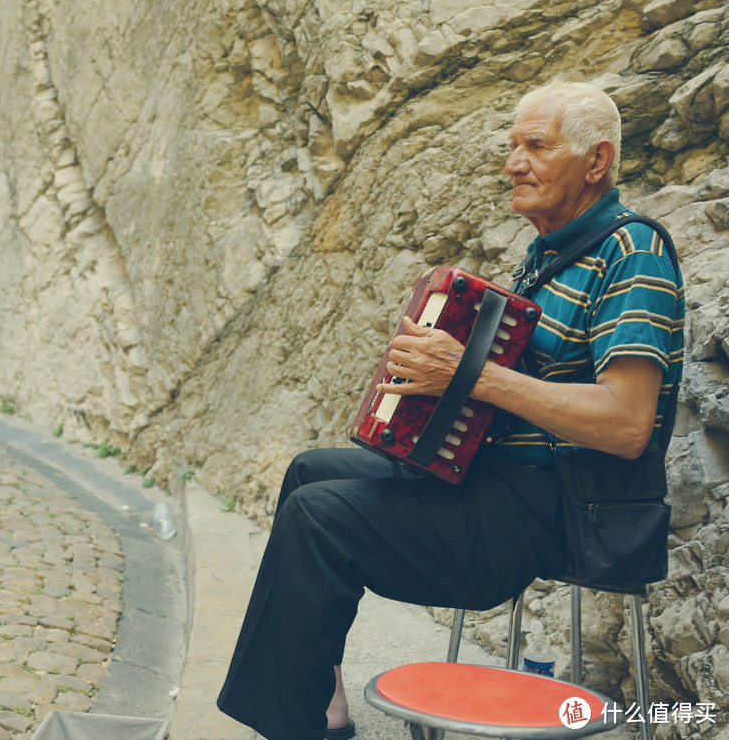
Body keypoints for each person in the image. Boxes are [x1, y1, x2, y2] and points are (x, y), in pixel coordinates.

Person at [216, 82, 686, 740]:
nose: (512, 163)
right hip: (495, 485)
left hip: (550, 513)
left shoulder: (634, 255)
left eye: (535, 145)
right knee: (308, 473)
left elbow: (627, 424)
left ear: (597, 160)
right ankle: (322, 709)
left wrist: (468, 375)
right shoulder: (544, 259)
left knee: (317, 519)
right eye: (512, 145)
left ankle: (292, 728)